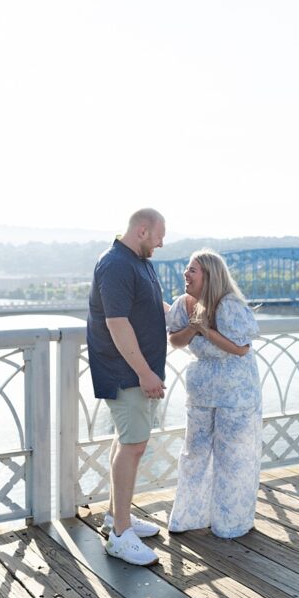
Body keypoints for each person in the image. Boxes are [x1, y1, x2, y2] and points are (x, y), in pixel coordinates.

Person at [88, 208, 168, 566]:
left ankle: (114, 517)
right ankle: (120, 535)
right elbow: (118, 324)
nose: (161, 243)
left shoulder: (139, 262)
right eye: (158, 236)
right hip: (126, 373)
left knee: (127, 442)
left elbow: (151, 308)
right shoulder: (117, 264)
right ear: (141, 230)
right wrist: (145, 373)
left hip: (136, 372)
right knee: (134, 445)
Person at [165, 249, 263, 538]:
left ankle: (230, 523)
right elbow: (175, 339)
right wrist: (192, 329)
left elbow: (241, 348)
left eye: (192, 270)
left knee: (234, 457)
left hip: (237, 391)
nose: (186, 273)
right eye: (187, 268)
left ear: (209, 276)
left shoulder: (229, 305)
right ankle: (191, 517)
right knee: (193, 453)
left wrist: (204, 330)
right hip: (202, 388)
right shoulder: (183, 304)